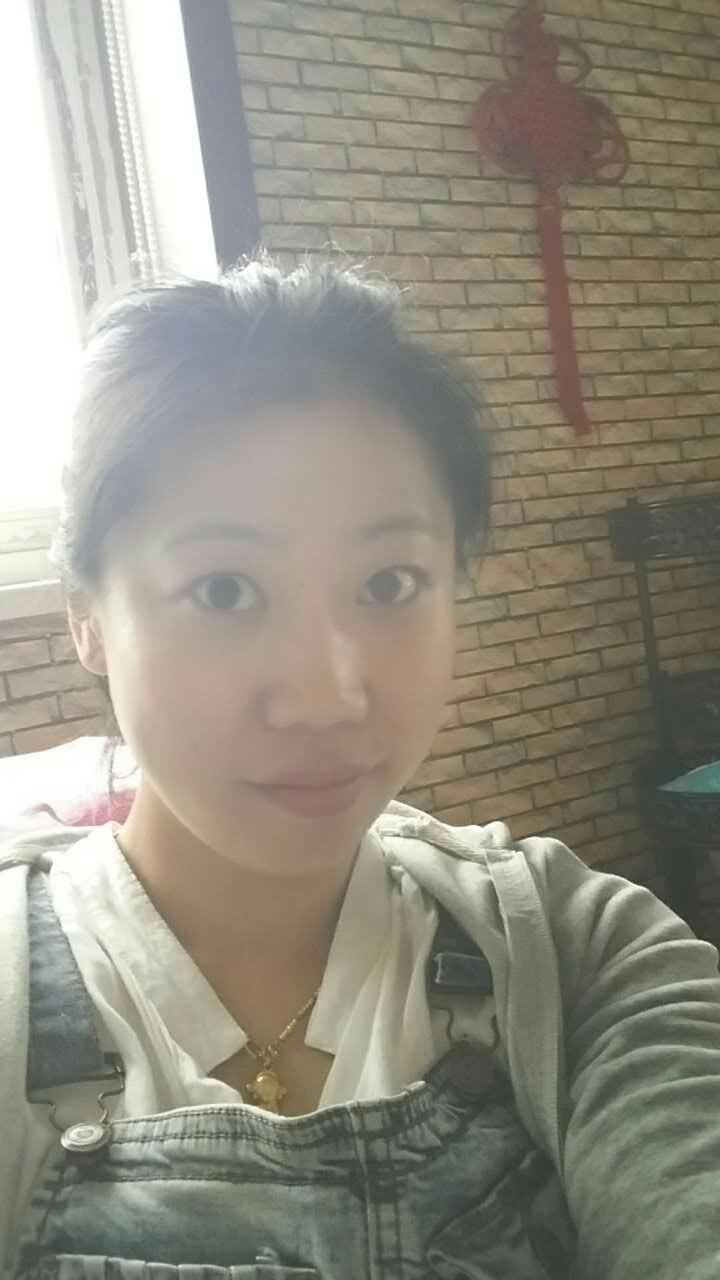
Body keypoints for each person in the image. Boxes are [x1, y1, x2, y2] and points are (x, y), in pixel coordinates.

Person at [1, 256, 719, 1280]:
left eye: (389, 582)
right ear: (87, 615)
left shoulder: (576, 954)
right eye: (223, 589)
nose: (328, 696)